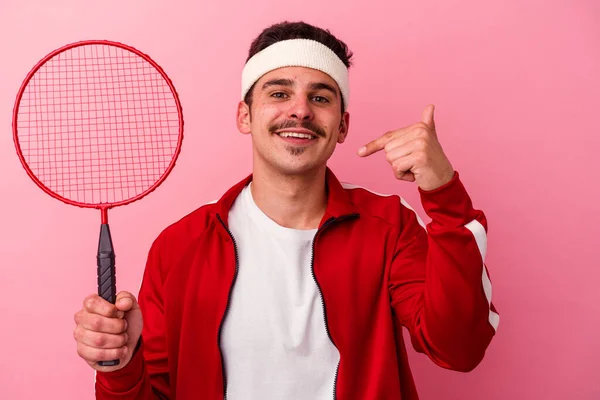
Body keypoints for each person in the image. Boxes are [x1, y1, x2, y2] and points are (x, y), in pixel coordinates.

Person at [73, 20, 499, 400]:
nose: (300, 110)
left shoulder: (389, 226)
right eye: (279, 92)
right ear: (245, 115)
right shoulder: (180, 245)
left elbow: (459, 348)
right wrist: (121, 368)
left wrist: (444, 194)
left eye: (320, 97)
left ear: (342, 126)